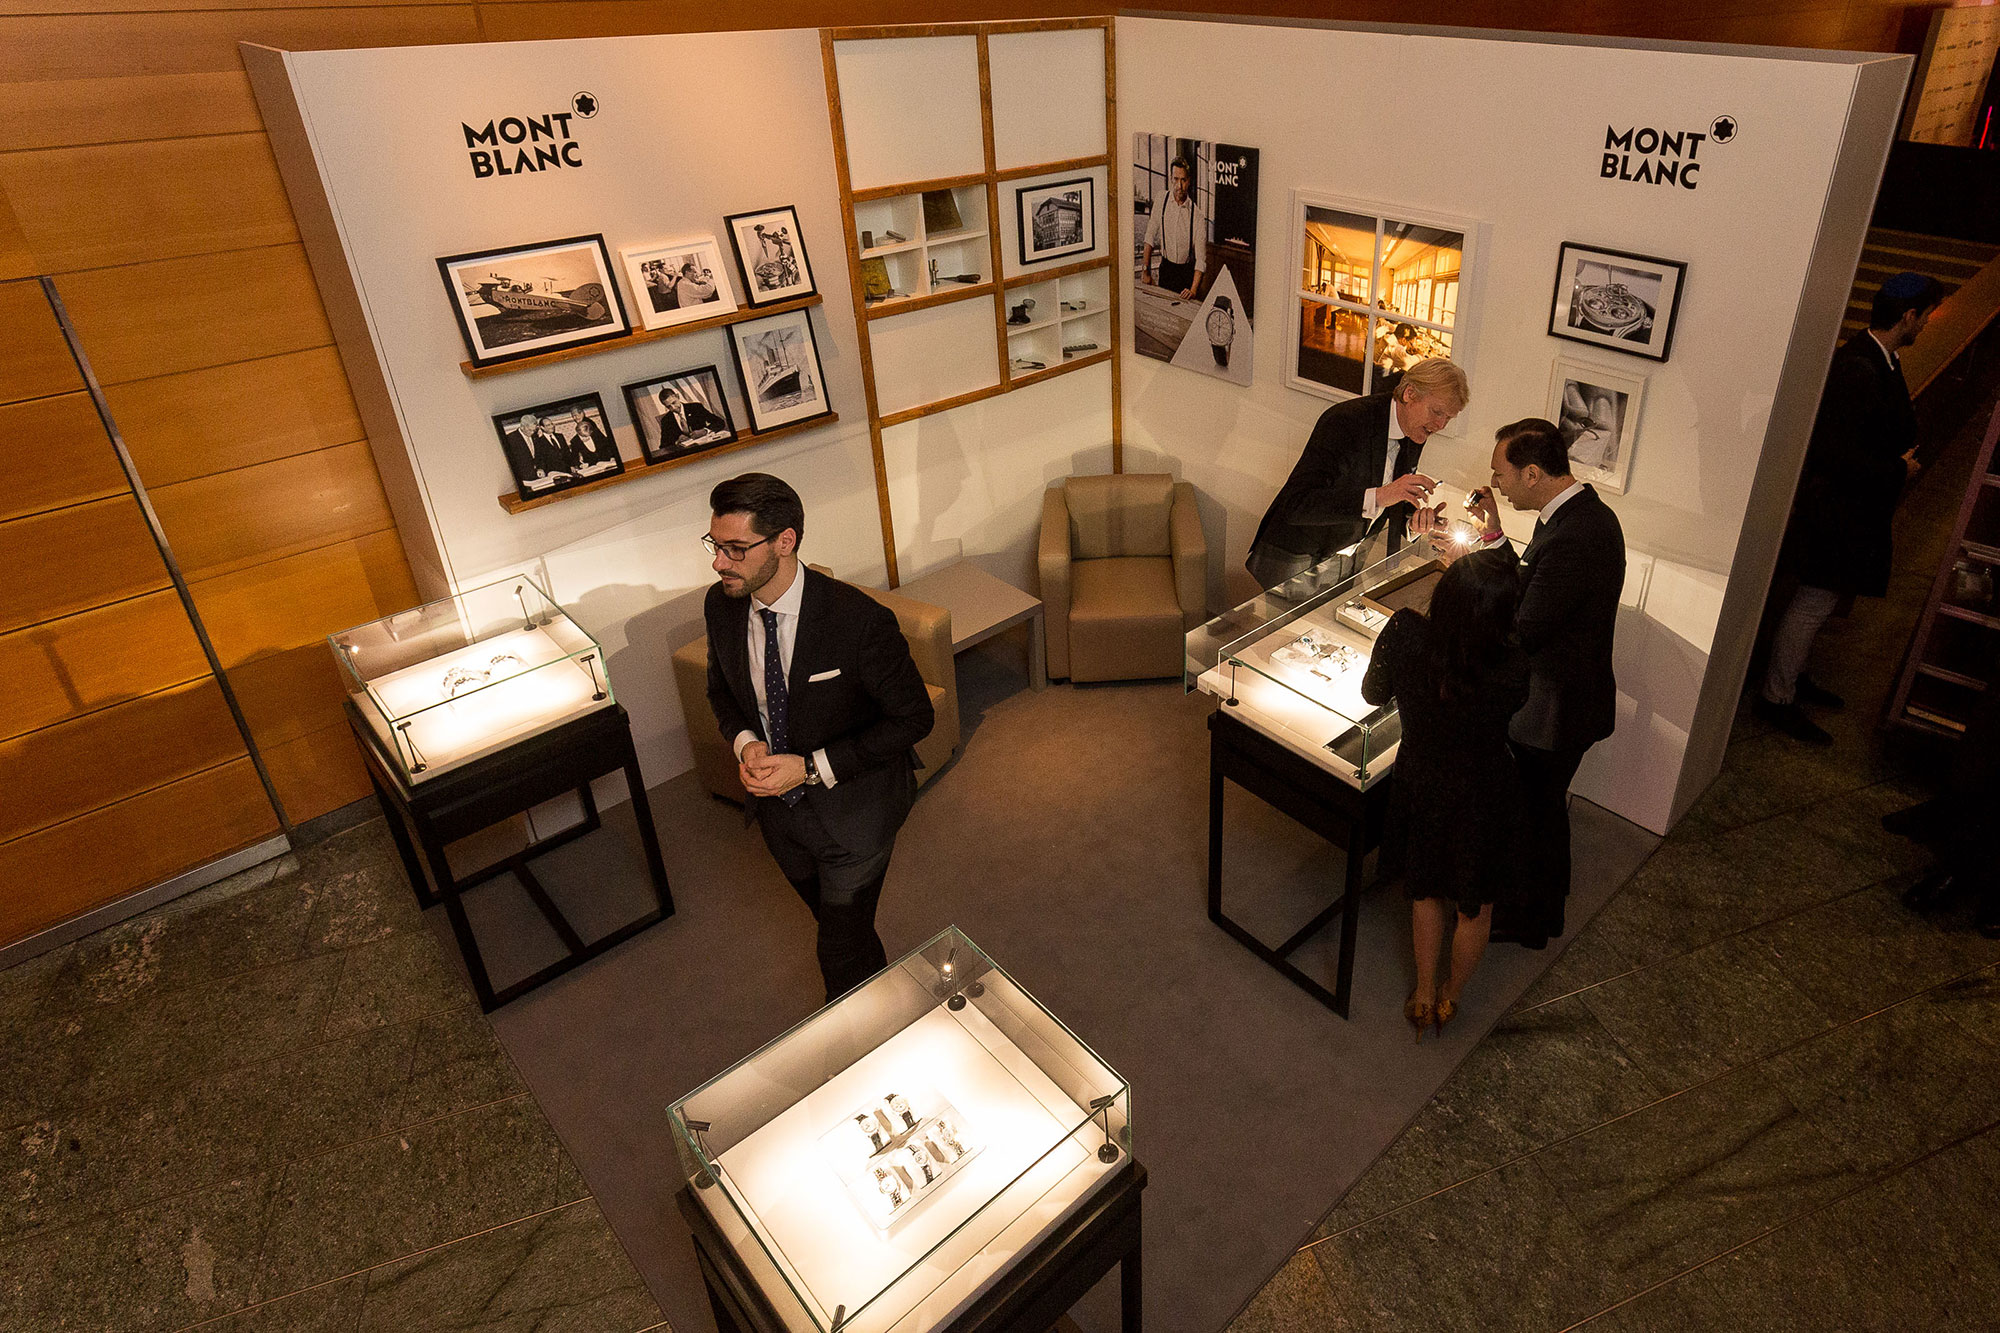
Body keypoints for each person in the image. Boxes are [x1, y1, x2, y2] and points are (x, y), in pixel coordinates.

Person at [702, 473, 935, 1002]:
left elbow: (913, 719)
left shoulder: (859, 621)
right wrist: (746, 743)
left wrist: (808, 767)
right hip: (779, 817)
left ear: (784, 541)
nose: (719, 563)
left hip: (856, 812)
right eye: (714, 546)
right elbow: (720, 692)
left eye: (736, 549)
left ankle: (861, 1038)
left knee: (838, 950)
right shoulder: (721, 605)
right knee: (842, 930)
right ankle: (880, 1001)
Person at [1757, 271, 1943, 745]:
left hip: (1847, 511)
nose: (1926, 325)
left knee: (1817, 604)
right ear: (1909, 316)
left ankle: (1793, 678)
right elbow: (1835, 452)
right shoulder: (1860, 367)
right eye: (1926, 316)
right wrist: (1898, 469)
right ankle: (1777, 695)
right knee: (1812, 604)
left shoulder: (1878, 358)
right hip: (1837, 513)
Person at [1467, 417, 1626, 947]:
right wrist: (1493, 533)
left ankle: (1533, 919)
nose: (1496, 484)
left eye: (1501, 474)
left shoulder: (1576, 536)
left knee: (1537, 812)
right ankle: (1539, 910)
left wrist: (1465, 616)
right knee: (1542, 807)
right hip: (1562, 700)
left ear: (1532, 473)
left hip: (1555, 709)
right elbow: (1532, 584)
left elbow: (1526, 627)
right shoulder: (1572, 514)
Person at [1359, 548, 1528, 1040]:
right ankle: (1451, 996)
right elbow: (1506, 708)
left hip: (1422, 779)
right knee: (1475, 905)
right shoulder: (1513, 666)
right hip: (1483, 791)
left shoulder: (1405, 631)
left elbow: (1373, 693)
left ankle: (1423, 991)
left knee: (1426, 887)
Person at [1244, 356, 1469, 589]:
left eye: (1448, 418)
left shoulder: (1415, 430)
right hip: (1296, 557)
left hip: (1345, 560)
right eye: (1437, 412)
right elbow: (1297, 504)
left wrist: (1412, 522)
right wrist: (1380, 496)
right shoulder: (1346, 421)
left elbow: (1386, 490)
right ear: (1409, 394)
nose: (1441, 425)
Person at [1141, 156, 1207, 300]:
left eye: (1183, 180)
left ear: (1189, 181)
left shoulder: (1197, 215)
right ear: (1171, 178)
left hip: (1186, 275)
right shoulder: (1161, 200)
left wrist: (1193, 290)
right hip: (1166, 270)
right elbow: (1150, 236)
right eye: (1176, 179)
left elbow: (1201, 260)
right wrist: (1146, 270)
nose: (1179, 186)